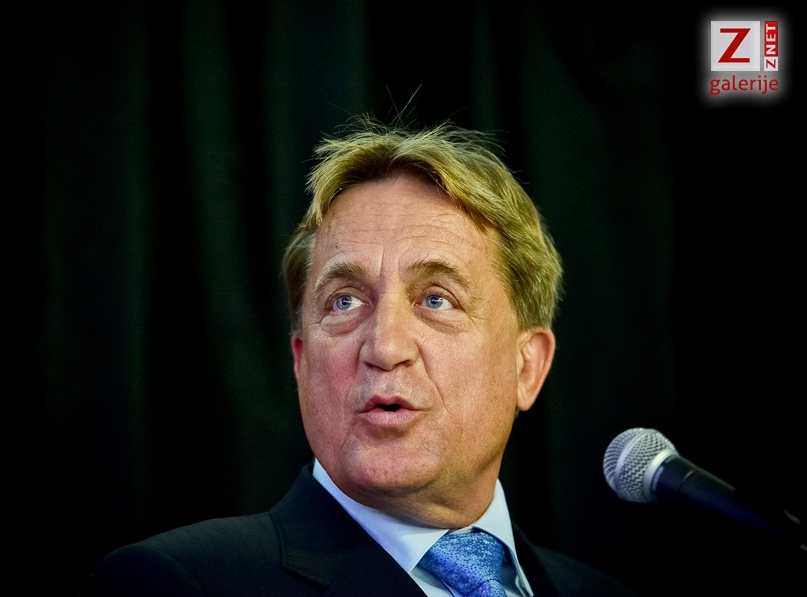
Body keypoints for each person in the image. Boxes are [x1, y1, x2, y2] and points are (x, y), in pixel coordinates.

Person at [85, 118, 639, 596]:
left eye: (436, 299)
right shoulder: (176, 584)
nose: (385, 347)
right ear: (301, 362)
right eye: (344, 301)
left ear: (526, 367)